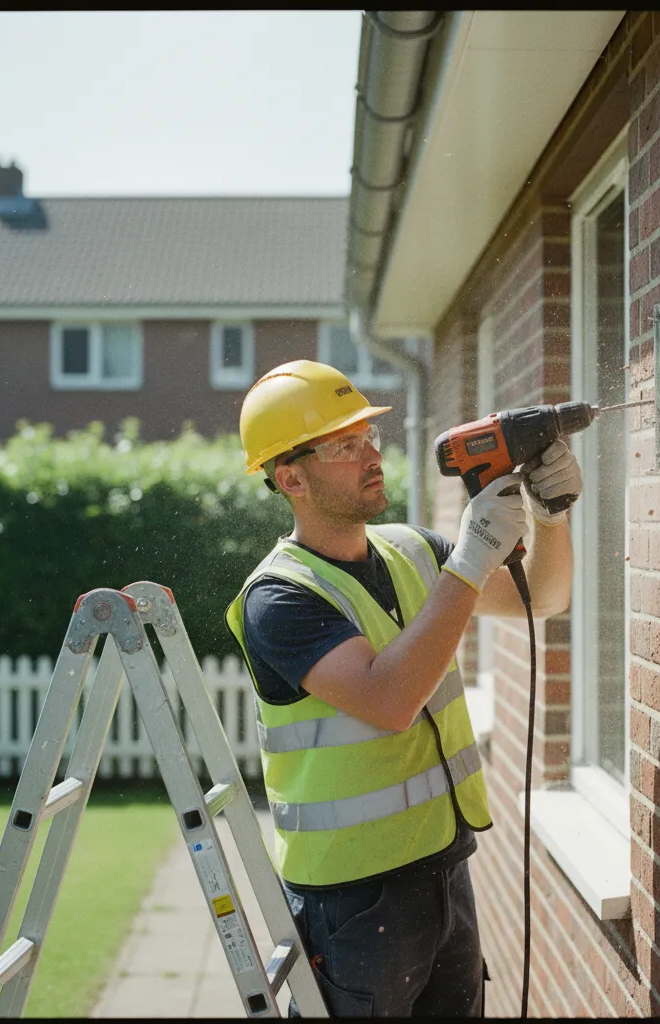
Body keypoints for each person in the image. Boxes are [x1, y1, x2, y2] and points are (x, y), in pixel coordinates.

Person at [225, 360, 582, 1017]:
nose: (368, 456)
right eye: (343, 445)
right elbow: (389, 701)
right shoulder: (277, 597)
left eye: (368, 438)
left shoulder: (412, 549)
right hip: (353, 900)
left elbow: (547, 597)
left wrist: (551, 517)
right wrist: (474, 558)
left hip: (444, 868)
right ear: (290, 477)